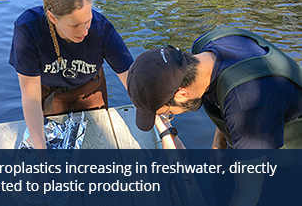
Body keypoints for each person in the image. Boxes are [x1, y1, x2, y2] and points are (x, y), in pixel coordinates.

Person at [127, 27, 302, 205]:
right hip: (257, 127)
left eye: (167, 114)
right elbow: (224, 89)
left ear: (181, 94)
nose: (169, 116)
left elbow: (248, 194)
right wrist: (218, 141)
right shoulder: (205, 48)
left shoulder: (248, 103)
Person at [9, 0, 133, 149]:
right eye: (75, 25)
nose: (85, 31)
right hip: (49, 93)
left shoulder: (101, 28)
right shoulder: (28, 29)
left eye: (88, 20)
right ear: (52, 17)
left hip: (90, 91)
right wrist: (41, 153)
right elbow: (31, 98)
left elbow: (133, 82)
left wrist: (164, 131)